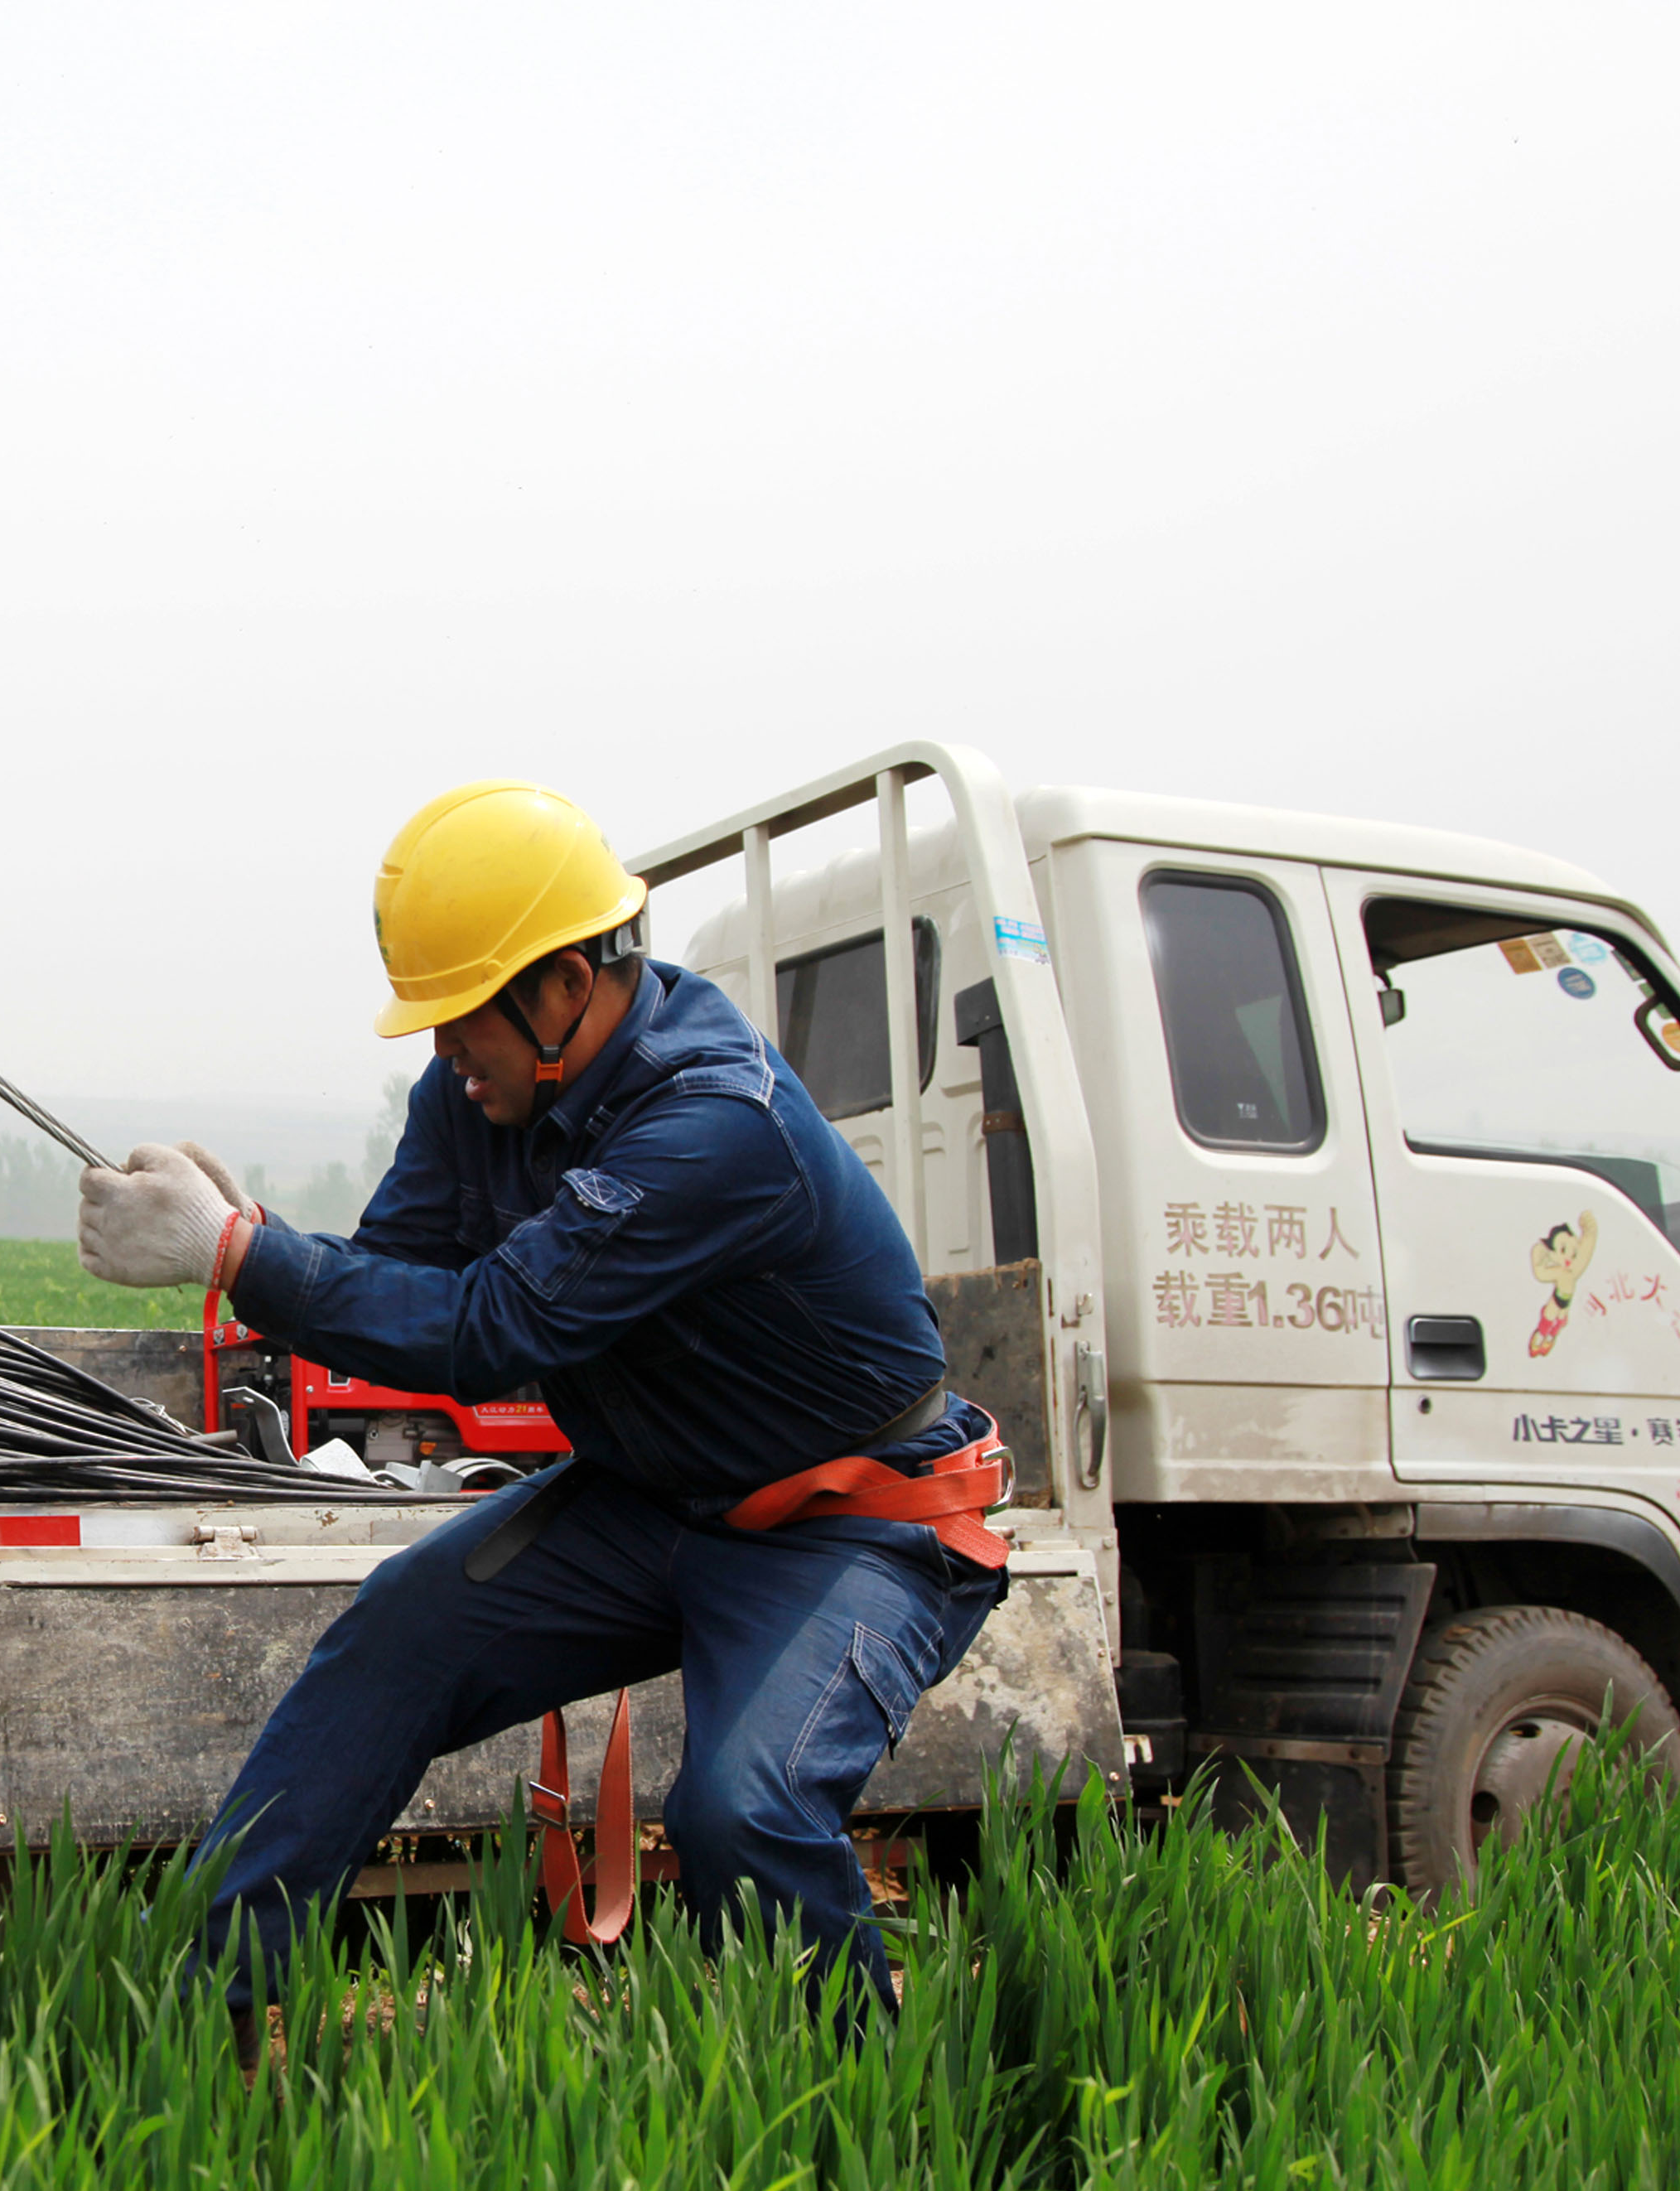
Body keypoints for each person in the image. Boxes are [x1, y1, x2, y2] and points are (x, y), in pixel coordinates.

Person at [76, 780, 1008, 2021]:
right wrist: (249, 1237)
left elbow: (494, 1328)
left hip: (849, 1522)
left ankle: (869, 2115)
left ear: (566, 986)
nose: (446, 1056)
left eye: (464, 1022)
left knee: (746, 1809)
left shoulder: (715, 1125)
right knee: (394, 1637)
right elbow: (398, 1275)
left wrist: (239, 1254)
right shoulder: (473, 1101)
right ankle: (196, 2008)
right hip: (656, 1500)